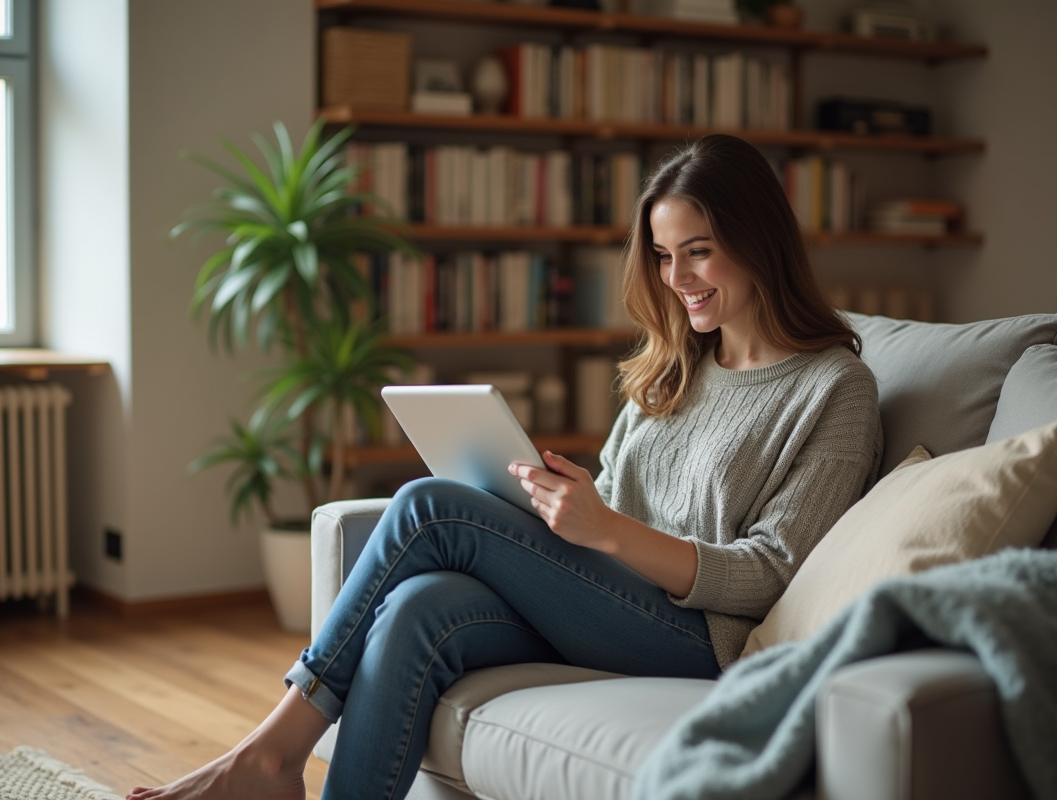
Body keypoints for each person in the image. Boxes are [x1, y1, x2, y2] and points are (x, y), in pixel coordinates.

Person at [126, 134, 883, 800]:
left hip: (701, 638)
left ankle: (269, 755)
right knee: (416, 606)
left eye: (698, 251)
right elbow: (616, 499)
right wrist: (565, 509)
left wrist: (606, 531)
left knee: (428, 506)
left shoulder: (834, 389)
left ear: (758, 240)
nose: (676, 277)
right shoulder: (677, 364)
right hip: (614, 599)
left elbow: (773, 570)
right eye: (662, 255)